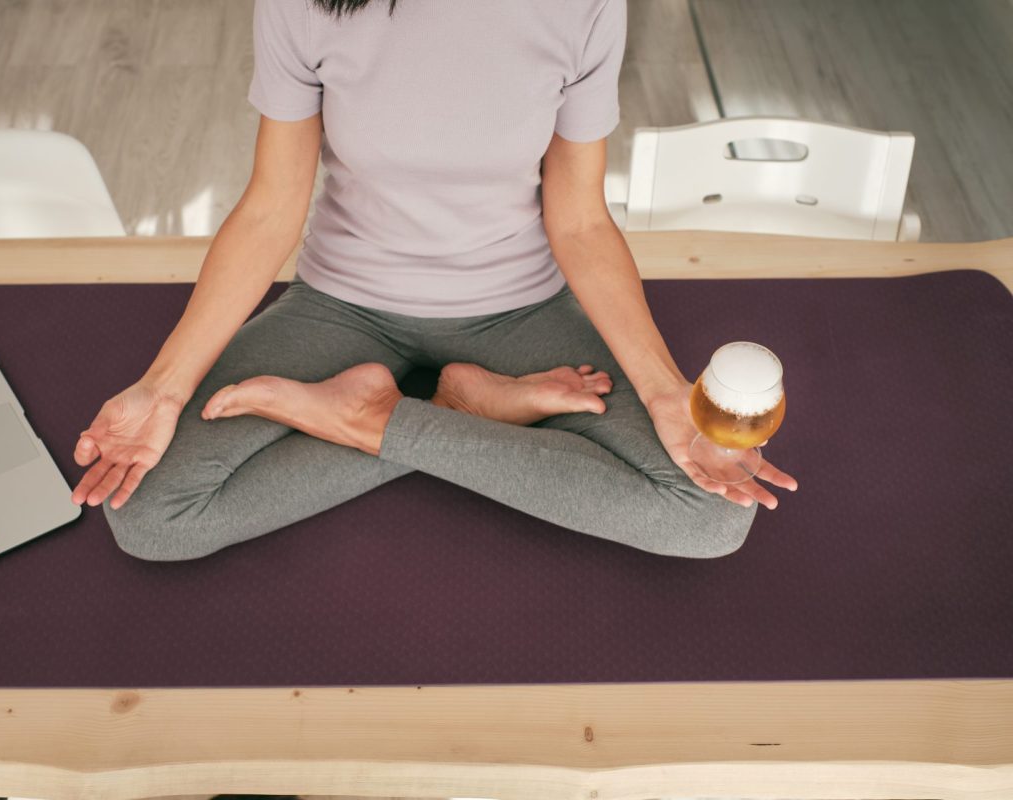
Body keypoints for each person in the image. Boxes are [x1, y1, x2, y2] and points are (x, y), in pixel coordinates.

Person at [70, 0, 798, 562]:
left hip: (519, 313)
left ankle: (382, 414)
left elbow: (578, 221)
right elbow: (270, 209)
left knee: (709, 515)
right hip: (339, 308)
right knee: (148, 514)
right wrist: (161, 389)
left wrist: (670, 394)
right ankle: (464, 409)